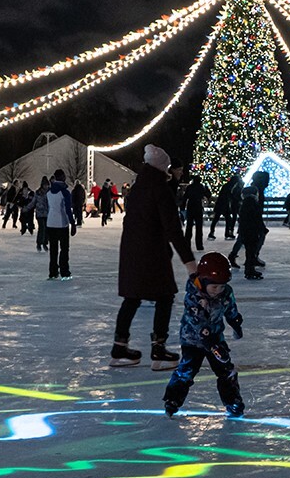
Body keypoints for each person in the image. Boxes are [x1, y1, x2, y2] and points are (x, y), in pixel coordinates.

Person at [110, 145, 197, 370]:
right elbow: (173, 228)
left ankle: (119, 347)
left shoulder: (139, 186)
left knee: (132, 297)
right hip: (152, 254)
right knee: (165, 297)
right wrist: (189, 262)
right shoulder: (159, 188)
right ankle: (159, 350)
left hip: (131, 251)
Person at [162, 252, 245, 418]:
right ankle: (173, 399)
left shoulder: (225, 292)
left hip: (215, 336)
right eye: (214, 287)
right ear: (203, 281)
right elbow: (198, 322)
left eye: (221, 286)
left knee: (226, 370)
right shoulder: (194, 296)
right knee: (187, 370)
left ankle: (232, 401)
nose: (218, 290)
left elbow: (230, 307)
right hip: (192, 340)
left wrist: (235, 320)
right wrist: (211, 344)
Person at [44, 170, 75, 280]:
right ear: (62, 177)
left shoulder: (48, 192)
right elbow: (67, 209)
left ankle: (53, 272)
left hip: (50, 222)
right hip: (62, 223)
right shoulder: (64, 192)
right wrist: (73, 223)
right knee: (64, 248)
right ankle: (64, 272)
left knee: (53, 249)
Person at [236, 185, 267, 280]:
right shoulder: (251, 203)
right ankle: (249, 270)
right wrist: (261, 228)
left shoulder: (245, 203)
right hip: (251, 230)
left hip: (246, 230)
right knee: (251, 251)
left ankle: (250, 269)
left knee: (250, 251)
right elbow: (256, 217)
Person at [182, 174, 210, 251]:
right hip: (198, 207)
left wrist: (182, 207)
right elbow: (208, 194)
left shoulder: (189, 187)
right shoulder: (201, 187)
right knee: (199, 227)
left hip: (190, 207)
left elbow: (185, 197)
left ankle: (187, 244)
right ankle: (199, 245)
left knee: (189, 227)